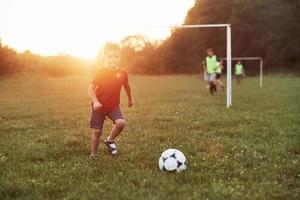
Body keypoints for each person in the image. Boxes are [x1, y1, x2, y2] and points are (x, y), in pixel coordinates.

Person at [88, 43, 134, 157]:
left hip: (113, 106)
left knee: (121, 123)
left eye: (116, 56)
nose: (113, 59)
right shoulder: (101, 72)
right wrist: (95, 101)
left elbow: (127, 85)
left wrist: (130, 98)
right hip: (99, 106)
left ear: (119, 58)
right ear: (105, 58)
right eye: (110, 56)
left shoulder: (123, 73)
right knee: (97, 132)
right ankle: (94, 154)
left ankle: (109, 140)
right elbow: (90, 88)